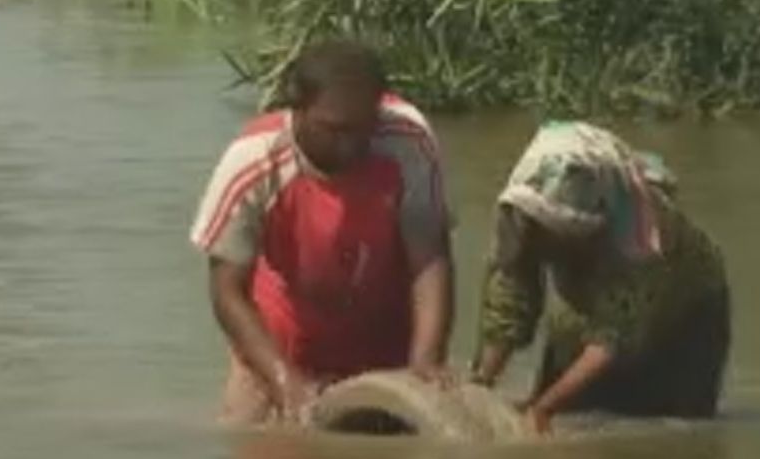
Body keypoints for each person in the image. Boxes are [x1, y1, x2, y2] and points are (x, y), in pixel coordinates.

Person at [189, 39, 454, 426]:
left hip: (384, 338)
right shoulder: (253, 160)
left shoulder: (407, 142)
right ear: (296, 109)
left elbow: (430, 258)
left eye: (364, 128)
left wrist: (426, 359)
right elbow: (228, 292)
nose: (351, 144)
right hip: (280, 344)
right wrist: (285, 383)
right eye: (334, 130)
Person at [468, 121, 731, 435]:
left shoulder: (639, 237)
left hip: (686, 310)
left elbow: (611, 341)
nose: (540, 237)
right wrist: (482, 384)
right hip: (587, 298)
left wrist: (543, 408)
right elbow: (508, 306)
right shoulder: (520, 217)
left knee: (670, 433)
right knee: (571, 418)